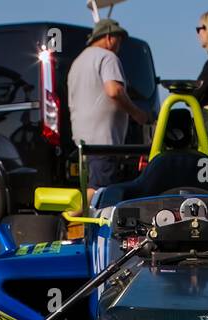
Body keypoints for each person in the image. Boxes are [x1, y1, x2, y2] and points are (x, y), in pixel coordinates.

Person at [66, 18, 151, 203]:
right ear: (109, 38)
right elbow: (114, 90)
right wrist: (137, 113)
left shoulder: (78, 62)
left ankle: (82, 227)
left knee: (90, 186)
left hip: (82, 139)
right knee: (99, 190)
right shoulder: (107, 57)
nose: (119, 45)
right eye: (119, 40)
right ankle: (66, 218)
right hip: (103, 139)